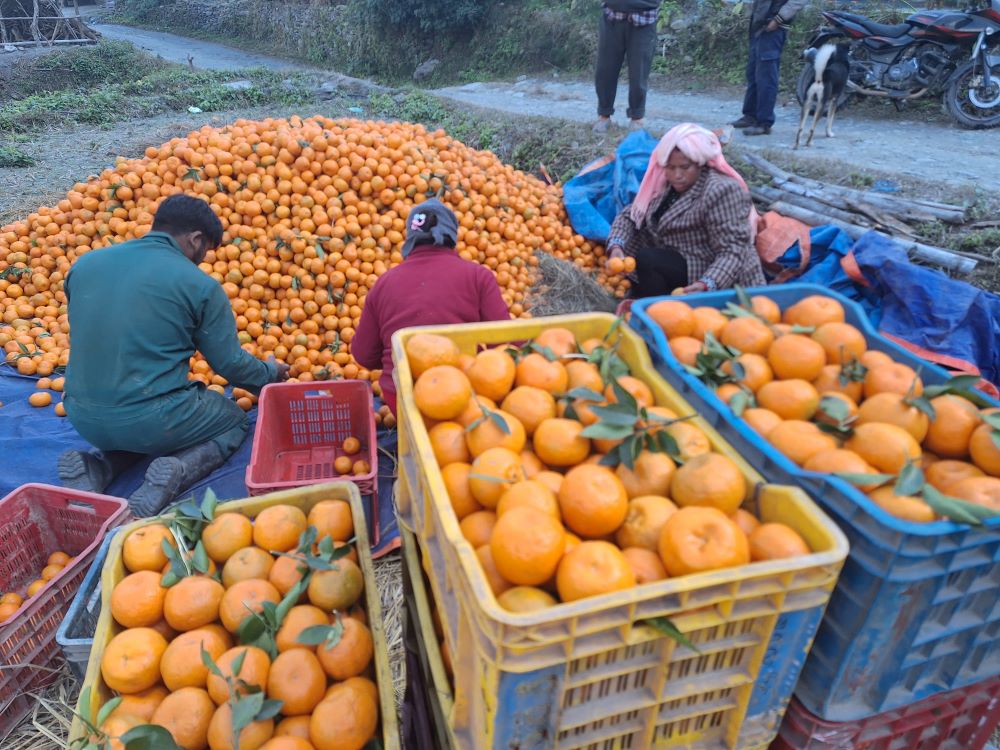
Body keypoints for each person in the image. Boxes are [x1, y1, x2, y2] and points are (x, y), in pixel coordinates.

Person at [59, 194, 289, 515]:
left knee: (146, 423)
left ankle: (99, 467)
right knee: (233, 419)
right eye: (205, 251)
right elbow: (229, 365)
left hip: (81, 414)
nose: (202, 260)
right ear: (196, 240)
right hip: (155, 420)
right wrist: (270, 375)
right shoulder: (199, 286)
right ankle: (179, 471)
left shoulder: (84, 265)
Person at [352, 199, 510, 414]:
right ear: (451, 237)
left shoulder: (384, 283)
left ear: (410, 239)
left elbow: (363, 355)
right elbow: (505, 343)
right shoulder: (478, 276)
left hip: (400, 396)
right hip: (463, 393)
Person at [605, 123, 765, 298]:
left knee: (647, 259)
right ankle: (657, 306)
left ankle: (663, 310)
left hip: (710, 267)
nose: (677, 175)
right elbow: (630, 215)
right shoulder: (664, 182)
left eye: (684, 167)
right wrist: (616, 246)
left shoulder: (721, 190)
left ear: (699, 163)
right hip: (678, 257)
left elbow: (734, 251)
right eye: (671, 168)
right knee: (642, 259)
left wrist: (707, 283)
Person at [732, 0, 809, 136]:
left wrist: (778, 19)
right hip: (759, 25)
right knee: (753, 74)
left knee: (766, 77)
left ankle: (764, 123)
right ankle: (751, 116)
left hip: (773, 27)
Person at [593, 0, 662, 133]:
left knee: (639, 72)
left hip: (644, 21)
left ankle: (637, 117)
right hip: (612, 18)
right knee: (605, 70)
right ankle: (604, 115)